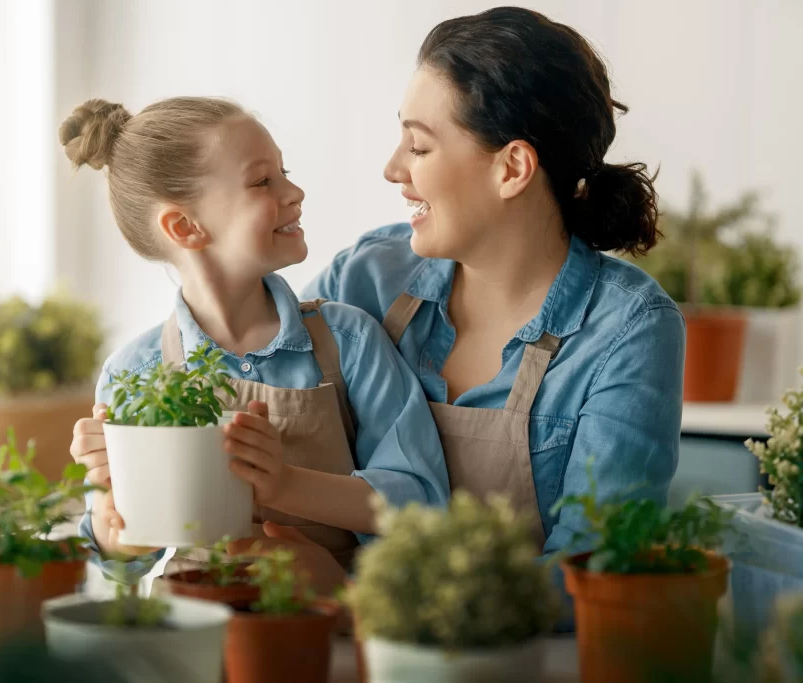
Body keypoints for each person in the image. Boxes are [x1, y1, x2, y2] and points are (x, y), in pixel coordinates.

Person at [234, 6, 687, 600]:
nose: (393, 168)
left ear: (512, 168)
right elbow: (242, 369)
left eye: (419, 147)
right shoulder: (366, 277)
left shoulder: (628, 330)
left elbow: (590, 578)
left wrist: (355, 597)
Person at [61, 96, 450, 586]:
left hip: (335, 626)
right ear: (185, 226)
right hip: (199, 632)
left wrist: (285, 484)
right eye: (264, 181)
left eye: (283, 172)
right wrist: (116, 507)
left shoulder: (348, 341)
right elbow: (123, 558)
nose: (295, 191)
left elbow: (420, 499)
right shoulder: (132, 375)